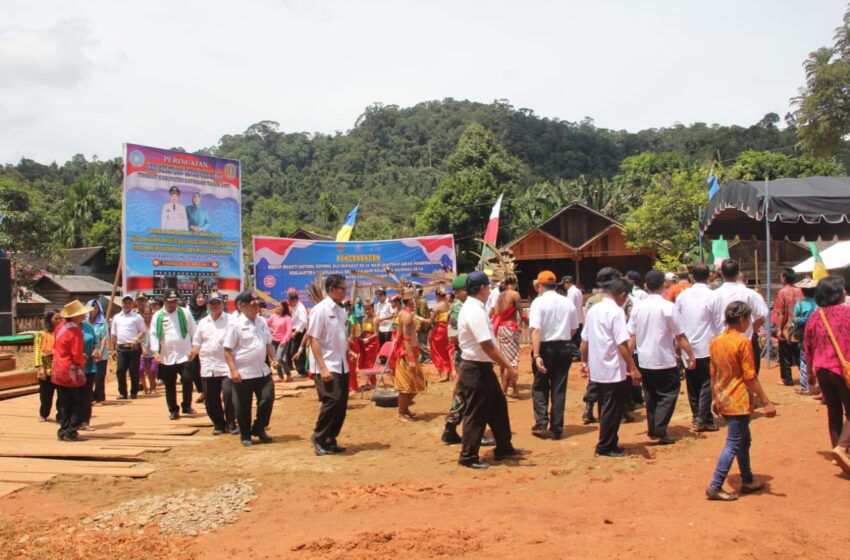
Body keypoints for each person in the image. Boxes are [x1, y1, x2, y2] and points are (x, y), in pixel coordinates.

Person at [706, 301, 777, 501]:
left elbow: (713, 373)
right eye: (748, 319)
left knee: (743, 440)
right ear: (742, 319)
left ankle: (747, 479)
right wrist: (766, 401)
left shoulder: (716, 341)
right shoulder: (742, 342)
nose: (750, 323)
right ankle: (715, 485)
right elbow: (750, 376)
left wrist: (714, 397)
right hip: (738, 398)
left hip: (723, 396)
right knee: (734, 442)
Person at [456, 271, 524, 469]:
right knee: (476, 413)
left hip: (481, 367)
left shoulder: (476, 307)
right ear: (482, 289)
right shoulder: (474, 310)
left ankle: (504, 447)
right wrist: (508, 366)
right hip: (475, 367)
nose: (489, 290)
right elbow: (486, 344)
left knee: (498, 407)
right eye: (488, 287)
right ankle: (468, 456)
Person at [628, 269, 696, 444]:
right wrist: (690, 354)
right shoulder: (668, 307)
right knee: (669, 393)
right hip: (663, 358)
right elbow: (679, 336)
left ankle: (654, 428)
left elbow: (632, 336)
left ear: (645, 285)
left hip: (644, 358)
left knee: (650, 395)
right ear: (663, 285)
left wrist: (630, 362)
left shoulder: (638, 307)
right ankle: (659, 428)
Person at [580, 278, 641, 457]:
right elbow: (622, 343)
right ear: (622, 296)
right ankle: (605, 446)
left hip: (598, 366)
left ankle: (609, 442)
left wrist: (584, 362)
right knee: (612, 408)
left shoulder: (593, 310)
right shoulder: (616, 313)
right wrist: (633, 367)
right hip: (612, 367)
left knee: (605, 407)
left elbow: (584, 340)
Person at [802, 275, 850, 475]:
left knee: (834, 411)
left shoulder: (815, 316)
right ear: (838, 294)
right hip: (843, 369)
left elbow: (808, 346)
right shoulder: (847, 313)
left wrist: (811, 374)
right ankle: (842, 447)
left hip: (822, 370)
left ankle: (837, 452)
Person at [223, 291, 278, 446]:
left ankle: (259, 427)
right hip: (243, 373)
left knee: (267, 398)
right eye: (252, 304)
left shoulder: (261, 321)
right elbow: (227, 350)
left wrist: (273, 359)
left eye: (257, 303)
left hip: (262, 370)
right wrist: (233, 370)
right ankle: (245, 435)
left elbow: (268, 343)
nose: (256, 306)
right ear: (243, 306)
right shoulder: (235, 325)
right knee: (242, 406)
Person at [529, 270, 578, 440]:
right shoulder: (567, 303)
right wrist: (562, 339)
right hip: (564, 347)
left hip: (544, 347)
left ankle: (541, 423)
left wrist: (536, 354)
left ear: (540, 285)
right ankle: (557, 428)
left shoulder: (538, 303)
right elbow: (573, 329)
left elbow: (536, 329)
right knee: (559, 387)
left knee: (540, 385)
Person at [307, 274, 352, 455]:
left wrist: (349, 351)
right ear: (332, 290)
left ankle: (330, 438)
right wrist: (323, 367)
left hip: (341, 363)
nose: (345, 291)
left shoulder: (341, 311)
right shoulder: (321, 310)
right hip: (327, 364)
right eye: (342, 288)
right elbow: (314, 339)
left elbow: (339, 336)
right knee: (332, 401)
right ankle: (319, 436)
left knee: (341, 403)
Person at [674, 263, 719, 431]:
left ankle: (699, 416)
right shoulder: (712, 296)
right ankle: (702, 417)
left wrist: (677, 344)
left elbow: (676, 322)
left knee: (693, 382)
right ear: (709, 276)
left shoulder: (683, 296)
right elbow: (719, 323)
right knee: (707, 381)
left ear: (692, 276)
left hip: (688, 345)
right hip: (707, 345)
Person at [709, 259, 767, 371]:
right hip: (744, 344)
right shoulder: (750, 294)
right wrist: (750, 330)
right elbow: (762, 317)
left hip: (722, 345)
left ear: (722, 273)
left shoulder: (712, 296)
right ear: (738, 274)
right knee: (747, 379)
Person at [193, 292, 237, 435]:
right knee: (211, 398)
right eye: (212, 303)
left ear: (223, 305)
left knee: (229, 393)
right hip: (207, 364)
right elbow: (197, 341)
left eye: (218, 303)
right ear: (207, 305)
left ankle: (231, 423)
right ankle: (218, 424)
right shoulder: (203, 323)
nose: (215, 306)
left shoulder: (231, 320)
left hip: (226, 364)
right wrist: (193, 352)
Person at [150, 289, 197, 420]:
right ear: (164, 301)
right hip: (167, 355)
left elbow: (194, 331)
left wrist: (195, 349)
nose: (173, 304)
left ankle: (186, 405)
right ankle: (173, 409)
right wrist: (155, 351)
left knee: (187, 379)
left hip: (185, 354)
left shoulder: (185, 313)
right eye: (170, 302)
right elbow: (153, 334)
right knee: (169, 384)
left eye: (175, 301)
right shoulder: (158, 316)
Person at [52, 300, 94, 442]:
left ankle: (63, 430)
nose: (83, 316)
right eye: (81, 314)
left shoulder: (60, 327)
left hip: (58, 367)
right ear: (75, 316)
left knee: (64, 401)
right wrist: (83, 359)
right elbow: (76, 353)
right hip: (71, 369)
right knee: (79, 400)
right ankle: (72, 430)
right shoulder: (75, 330)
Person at [393, 288, 427, 421]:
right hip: (407, 353)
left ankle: (405, 408)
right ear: (410, 300)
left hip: (411, 351)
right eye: (416, 297)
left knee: (416, 384)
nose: (418, 300)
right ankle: (400, 413)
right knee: (406, 385)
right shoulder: (406, 315)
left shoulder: (407, 313)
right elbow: (406, 338)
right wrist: (411, 358)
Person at [109, 294, 147, 400]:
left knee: (133, 371)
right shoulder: (117, 317)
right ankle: (122, 393)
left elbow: (143, 331)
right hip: (121, 347)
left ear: (132, 304)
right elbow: (113, 333)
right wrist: (113, 348)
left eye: (129, 302)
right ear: (122, 304)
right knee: (120, 371)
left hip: (133, 347)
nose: (127, 304)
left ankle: (133, 392)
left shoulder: (137, 317)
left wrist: (136, 339)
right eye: (125, 302)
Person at [493, 276, 522, 399]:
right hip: (510, 329)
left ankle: (514, 389)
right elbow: (522, 312)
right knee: (511, 363)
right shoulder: (515, 294)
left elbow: (495, 312)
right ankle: (503, 392)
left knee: (505, 360)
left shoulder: (500, 296)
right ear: (514, 284)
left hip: (502, 328)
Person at [774, 268, 803, 387]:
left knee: (785, 355)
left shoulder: (782, 292)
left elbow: (780, 313)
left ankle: (787, 379)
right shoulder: (801, 291)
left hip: (787, 327)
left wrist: (779, 329)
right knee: (799, 354)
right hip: (799, 327)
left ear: (784, 278)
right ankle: (806, 378)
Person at [792, 278, 817, 395]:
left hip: (804, 334)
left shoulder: (800, 304)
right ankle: (817, 385)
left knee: (804, 358)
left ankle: (806, 386)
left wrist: (797, 322)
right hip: (817, 333)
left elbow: (795, 319)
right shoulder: (819, 303)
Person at [34, 310, 61, 421]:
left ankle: (61, 416)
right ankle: (44, 414)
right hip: (46, 369)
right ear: (49, 320)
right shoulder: (41, 334)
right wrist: (40, 368)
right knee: (46, 395)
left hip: (60, 369)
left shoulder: (62, 333)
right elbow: (37, 351)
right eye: (56, 319)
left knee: (62, 396)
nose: (59, 321)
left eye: (60, 318)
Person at [85, 299, 109, 407]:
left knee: (99, 377)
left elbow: (104, 338)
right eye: (92, 307)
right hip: (88, 353)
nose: (94, 310)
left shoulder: (102, 322)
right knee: (89, 377)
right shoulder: (84, 323)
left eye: (96, 308)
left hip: (101, 353)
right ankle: (89, 398)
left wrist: (100, 351)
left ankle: (99, 397)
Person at [187, 291, 208, 402]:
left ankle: (207, 393)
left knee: (205, 369)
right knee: (194, 370)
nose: (200, 299)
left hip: (206, 346)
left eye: (202, 297)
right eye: (198, 297)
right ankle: (202, 391)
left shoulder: (208, 311)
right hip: (192, 346)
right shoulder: (188, 312)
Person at [429, 288, 453, 382]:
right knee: (447, 351)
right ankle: (449, 373)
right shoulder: (449, 305)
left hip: (439, 330)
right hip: (448, 329)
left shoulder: (437, 307)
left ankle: (444, 373)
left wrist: (419, 318)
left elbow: (431, 320)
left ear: (438, 296)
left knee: (438, 351)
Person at [267, 301, 292, 380]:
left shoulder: (288, 318)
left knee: (279, 358)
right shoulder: (274, 316)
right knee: (275, 359)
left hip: (283, 341)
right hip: (274, 340)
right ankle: (280, 377)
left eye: (278, 306)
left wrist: (284, 340)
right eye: (276, 306)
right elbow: (265, 323)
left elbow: (289, 331)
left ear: (283, 308)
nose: (276, 308)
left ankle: (288, 374)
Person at [287, 288, 309, 378]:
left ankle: (302, 371)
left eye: (290, 301)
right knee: (295, 351)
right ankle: (301, 370)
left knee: (296, 351)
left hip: (299, 332)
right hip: (295, 331)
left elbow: (303, 322)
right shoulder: (295, 307)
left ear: (294, 300)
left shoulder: (300, 308)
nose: (289, 303)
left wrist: (296, 332)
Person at [139, 307, 158, 395]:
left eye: (148, 313)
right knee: (141, 370)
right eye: (145, 314)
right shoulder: (140, 325)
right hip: (143, 352)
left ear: (151, 314)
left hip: (153, 352)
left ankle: (153, 387)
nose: (147, 315)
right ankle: (145, 388)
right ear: (143, 314)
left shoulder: (155, 325)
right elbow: (138, 338)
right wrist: (142, 349)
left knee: (153, 370)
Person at [358, 300, 381, 371]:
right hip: (363, 342)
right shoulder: (364, 318)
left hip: (372, 343)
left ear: (373, 309)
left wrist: (367, 340)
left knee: (369, 363)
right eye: (365, 309)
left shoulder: (375, 319)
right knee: (362, 361)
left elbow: (376, 334)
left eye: (369, 309)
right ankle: (367, 379)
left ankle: (373, 381)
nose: (367, 311)